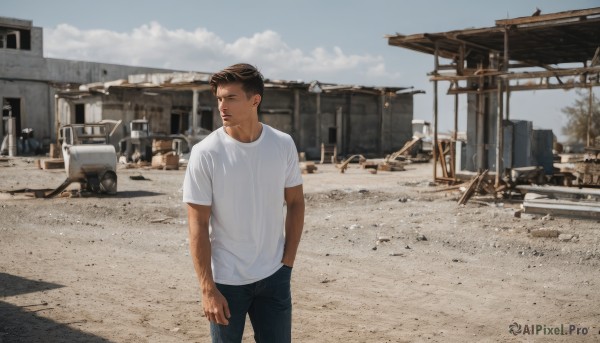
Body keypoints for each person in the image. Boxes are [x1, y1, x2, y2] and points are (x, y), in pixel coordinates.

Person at [183, 63, 305, 343]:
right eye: (219, 99)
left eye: (230, 98)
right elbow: (197, 224)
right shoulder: (205, 153)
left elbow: (296, 202)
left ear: (255, 100)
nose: (222, 106)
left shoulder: (282, 144)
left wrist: (287, 262)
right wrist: (207, 288)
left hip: (275, 276)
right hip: (226, 283)